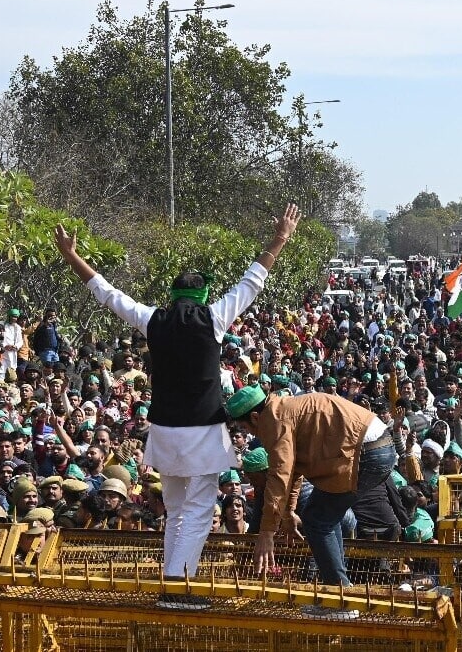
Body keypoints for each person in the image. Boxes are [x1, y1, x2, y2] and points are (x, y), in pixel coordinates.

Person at [52, 203, 299, 610]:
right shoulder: (215, 316)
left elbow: (108, 293)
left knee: (177, 510)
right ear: (202, 295)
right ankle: (179, 588)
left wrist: (71, 256)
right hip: (202, 434)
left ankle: (174, 584)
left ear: (173, 296)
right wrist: (280, 238)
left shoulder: (153, 320)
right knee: (198, 512)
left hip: (165, 434)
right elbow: (252, 280)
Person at [228, 387, 395, 619]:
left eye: (246, 428)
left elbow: (280, 475)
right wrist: (287, 514)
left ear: (255, 417)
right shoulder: (283, 410)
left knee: (317, 521)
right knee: (322, 517)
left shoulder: (275, 420)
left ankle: (340, 599)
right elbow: (294, 470)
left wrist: (267, 533)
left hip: (366, 451)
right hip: (376, 446)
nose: (252, 435)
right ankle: (339, 592)